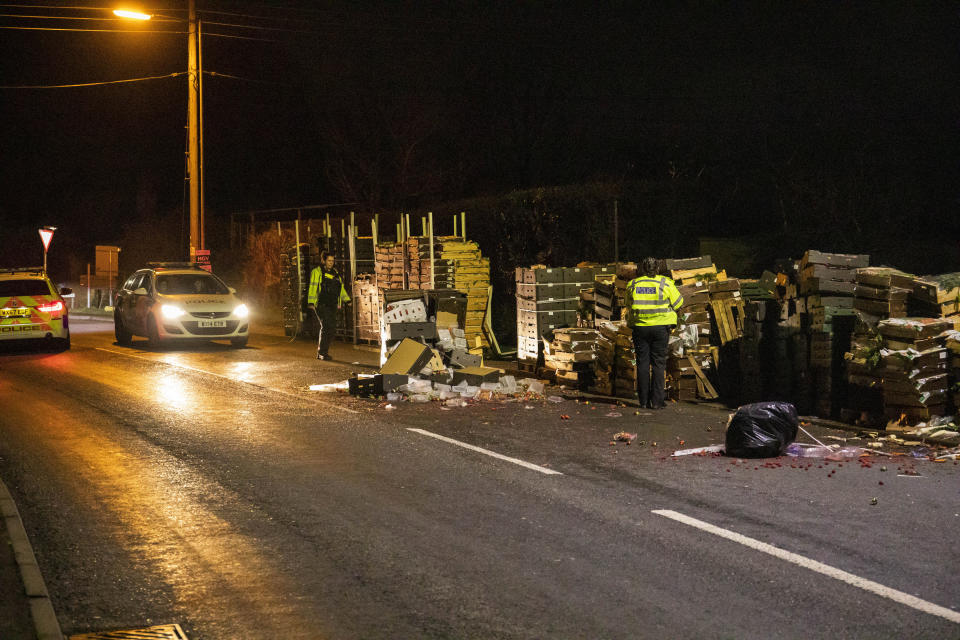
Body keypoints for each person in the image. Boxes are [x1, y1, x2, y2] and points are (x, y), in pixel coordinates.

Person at [626, 257, 683, 409]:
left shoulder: (632, 284)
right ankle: (657, 402)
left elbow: (628, 304)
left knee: (642, 363)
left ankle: (643, 401)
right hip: (660, 328)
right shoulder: (665, 283)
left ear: (642, 269)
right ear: (657, 269)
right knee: (659, 363)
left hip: (640, 328)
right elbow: (679, 303)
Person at [307, 250, 351, 360]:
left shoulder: (335, 273)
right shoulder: (317, 272)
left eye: (332, 261)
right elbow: (313, 287)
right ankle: (322, 353)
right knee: (326, 327)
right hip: (321, 304)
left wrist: (347, 300)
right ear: (323, 260)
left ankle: (322, 352)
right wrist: (311, 302)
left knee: (331, 329)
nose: (331, 263)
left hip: (332, 304)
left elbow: (340, 289)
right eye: (329, 261)